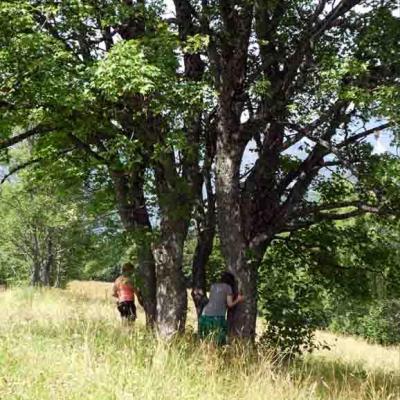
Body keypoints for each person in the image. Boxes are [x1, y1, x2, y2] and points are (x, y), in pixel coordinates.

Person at [198, 271, 244, 345]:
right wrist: (238, 299)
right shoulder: (228, 287)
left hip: (205, 314)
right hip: (217, 317)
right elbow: (230, 304)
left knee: (206, 340)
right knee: (217, 341)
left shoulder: (213, 286)